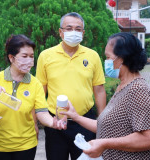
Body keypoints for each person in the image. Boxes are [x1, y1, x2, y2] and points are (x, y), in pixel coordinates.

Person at [0, 34, 66, 160]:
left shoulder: (35, 83)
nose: (29, 60)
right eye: (24, 56)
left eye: (31, 56)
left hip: (26, 145)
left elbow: (42, 112)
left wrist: (53, 123)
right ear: (11, 58)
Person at [62, 32, 150, 159]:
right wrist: (75, 116)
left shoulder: (138, 90)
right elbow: (107, 127)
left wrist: (104, 143)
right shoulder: (123, 86)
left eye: (108, 57)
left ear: (121, 59)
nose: (106, 62)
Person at [36, 12, 106, 160]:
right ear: (60, 32)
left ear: (83, 33)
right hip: (55, 123)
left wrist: (102, 121)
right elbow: (40, 92)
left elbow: (99, 90)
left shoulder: (92, 56)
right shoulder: (46, 56)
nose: (73, 32)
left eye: (78, 29)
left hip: (85, 121)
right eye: (69, 28)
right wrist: (36, 121)